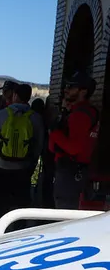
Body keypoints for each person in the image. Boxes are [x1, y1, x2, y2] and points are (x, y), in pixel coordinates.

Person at [0, 83, 45, 229]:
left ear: (15, 95)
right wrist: (32, 164)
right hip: (23, 168)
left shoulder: (3, 114)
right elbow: (39, 145)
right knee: (21, 208)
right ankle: (17, 235)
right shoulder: (35, 118)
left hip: (2, 166)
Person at [50, 72, 100, 209]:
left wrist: (54, 133)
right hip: (78, 171)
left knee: (64, 213)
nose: (66, 89)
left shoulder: (80, 115)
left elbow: (74, 147)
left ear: (83, 91)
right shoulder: (89, 112)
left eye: (71, 87)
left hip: (69, 173)